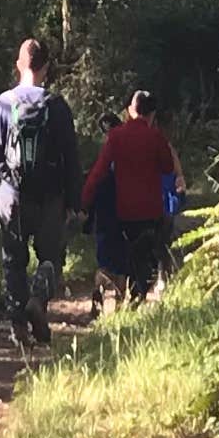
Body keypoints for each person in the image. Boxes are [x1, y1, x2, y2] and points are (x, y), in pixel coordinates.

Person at [0, 34, 82, 352]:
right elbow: (71, 158)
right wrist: (75, 200)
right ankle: (38, 299)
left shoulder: (2, 104)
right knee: (51, 258)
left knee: (14, 261)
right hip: (50, 197)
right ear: (46, 68)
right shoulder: (57, 106)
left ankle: (19, 326)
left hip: (12, 196)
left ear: (18, 65)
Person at [86, 87, 184, 302]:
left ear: (130, 111)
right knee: (149, 252)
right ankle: (138, 295)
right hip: (150, 210)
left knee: (125, 251)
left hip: (123, 210)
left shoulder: (116, 136)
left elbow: (100, 170)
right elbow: (168, 167)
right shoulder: (156, 137)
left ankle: (122, 291)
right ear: (152, 115)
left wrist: (84, 198)